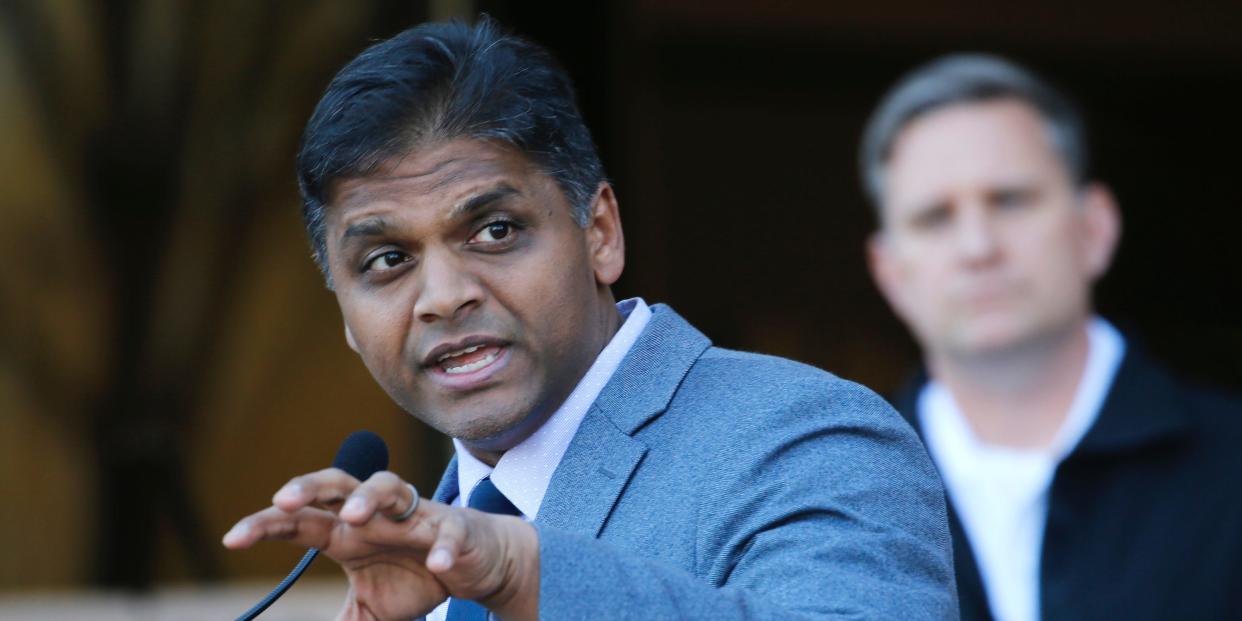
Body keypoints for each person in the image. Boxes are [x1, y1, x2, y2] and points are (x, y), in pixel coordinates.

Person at [223, 18, 957, 621]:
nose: (443, 296)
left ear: (599, 232)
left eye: (495, 231)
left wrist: (522, 573)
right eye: (387, 260)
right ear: (346, 317)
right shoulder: (407, 562)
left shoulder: (806, 436)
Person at [861, 53, 1242, 621]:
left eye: (1010, 200)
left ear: (1095, 227)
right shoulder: (839, 486)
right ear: (890, 272)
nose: (978, 247)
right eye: (935, 217)